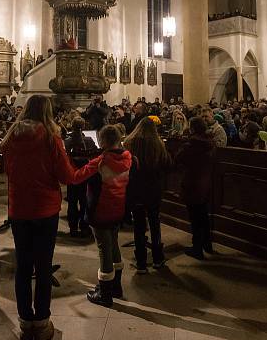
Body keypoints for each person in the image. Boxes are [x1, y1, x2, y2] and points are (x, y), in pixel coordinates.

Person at [0, 95, 82, 340]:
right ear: (47, 112)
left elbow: (7, 170)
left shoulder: (11, 137)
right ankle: (42, 324)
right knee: (43, 267)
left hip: (20, 208)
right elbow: (66, 176)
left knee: (23, 267)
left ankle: (26, 323)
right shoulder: (50, 138)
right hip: (45, 210)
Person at [73, 125, 132, 306]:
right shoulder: (128, 158)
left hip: (100, 210)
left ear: (103, 141)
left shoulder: (101, 161)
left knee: (103, 249)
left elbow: (76, 177)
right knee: (113, 245)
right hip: (119, 208)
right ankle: (116, 286)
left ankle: (105, 294)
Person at [124, 117, 171, 273]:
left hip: (135, 188)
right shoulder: (158, 143)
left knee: (138, 225)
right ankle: (158, 259)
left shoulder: (129, 143)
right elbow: (167, 164)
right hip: (153, 189)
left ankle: (141, 263)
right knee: (154, 223)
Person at [177, 117, 216, 260]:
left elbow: (178, 159)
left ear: (192, 129)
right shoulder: (210, 143)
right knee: (204, 216)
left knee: (195, 217)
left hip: (192, 183)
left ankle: (197, 248)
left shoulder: (191, 145)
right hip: (205, 182)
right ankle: (207, 244)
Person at [63, 117, 96, 237]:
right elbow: (94, 155)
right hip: (85, 174)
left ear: (72, 126)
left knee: (72, 202)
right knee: (84, 201)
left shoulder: (67, 141)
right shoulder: (89, 140)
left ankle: (73, 227)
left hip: (72, 173)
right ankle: (84, 226)